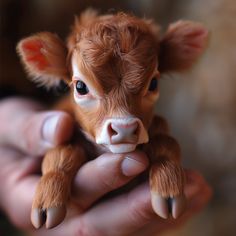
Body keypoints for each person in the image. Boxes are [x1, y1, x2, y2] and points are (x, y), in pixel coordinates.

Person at [0, 97, 211, 236]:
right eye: (82, 88)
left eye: (152, 84)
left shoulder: (156, 131)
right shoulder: (69, 121)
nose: (121, 118)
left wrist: (165, 167)